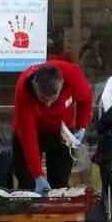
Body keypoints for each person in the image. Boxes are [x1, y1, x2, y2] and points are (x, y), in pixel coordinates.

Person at [10, 60, 92, 194]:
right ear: (34, 87)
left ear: (62, 85)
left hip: (62, 131)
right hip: (32, 130)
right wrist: (38, 175)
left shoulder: (73, 76)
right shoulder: (23, 90)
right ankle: (29, 211)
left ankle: (57, 211)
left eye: (52, 99)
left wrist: (81, 126)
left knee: (59, 182)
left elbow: (85, 100)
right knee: (27, 181)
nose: (47, 105)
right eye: (42, 99)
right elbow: (28, 137)